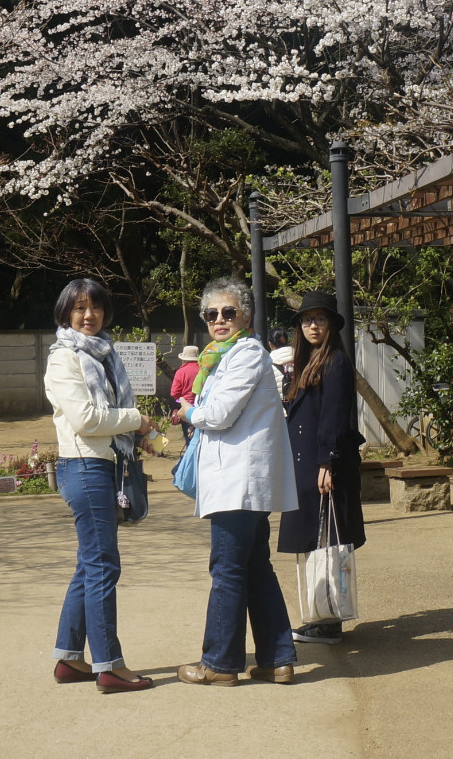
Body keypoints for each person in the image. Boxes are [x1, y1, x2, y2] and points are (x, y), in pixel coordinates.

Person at [170, 277, 298, 686]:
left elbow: (220, 413)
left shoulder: (246, 353)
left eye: (229, 312)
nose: (220, 320)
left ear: (245, 315)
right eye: (212, 314)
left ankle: (219, 664)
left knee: (226, 569)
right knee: (256, 567)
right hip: (240, 481)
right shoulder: (220, 357)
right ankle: (277, 659)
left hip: (237, 483)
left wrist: (189, 412)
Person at [43, 277, 157, 694]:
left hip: (103, 466)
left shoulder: (104, 354)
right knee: (103, 565)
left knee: (88, 564)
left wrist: (136, 431)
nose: (88, 315)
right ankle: (110, 665)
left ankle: (70, 658)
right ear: (66, 313)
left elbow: (106, 415)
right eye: (79, 308)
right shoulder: (64, 358)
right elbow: (87, 419)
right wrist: (135, 420)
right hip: (84, 468)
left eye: (95, 307)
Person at [276, 292, 367, 645]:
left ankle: (328, 621)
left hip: (323, 466)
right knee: (315, 542)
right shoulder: (309, 360)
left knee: (327, 541)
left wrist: (326, 461)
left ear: (331, 325)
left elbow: (333, 416)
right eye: (306, 319)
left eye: (321, 319)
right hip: (308, 464)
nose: (313, 325)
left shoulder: (335, 361)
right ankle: (319, 616)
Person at [170, 345, 200, 441]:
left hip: (186, 409)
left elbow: (174, 393)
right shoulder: (204, 370)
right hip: (202, 407)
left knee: (189, 440)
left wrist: (181, 398)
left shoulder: (181, 372)